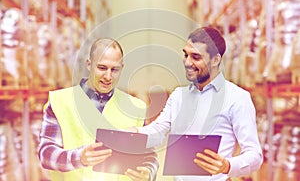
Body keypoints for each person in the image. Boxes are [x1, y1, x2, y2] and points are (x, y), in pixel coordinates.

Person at [137, 27, 263, 180]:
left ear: (215, 60)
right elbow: (157, 131)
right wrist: (131, 133)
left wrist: (227, 165)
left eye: (196, 57)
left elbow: (254, 155)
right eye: (185, 55)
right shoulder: (178, 96)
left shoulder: (237, 98)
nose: (188, 62)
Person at [38, 38, 158, 181]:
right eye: (102, 68)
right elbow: (46, 154)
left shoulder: (136, 107)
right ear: (89, 64)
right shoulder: (60, 102)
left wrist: (148, 172)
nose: (108, 76)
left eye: (115, 70)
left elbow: (150, 155)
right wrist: (79, 158)